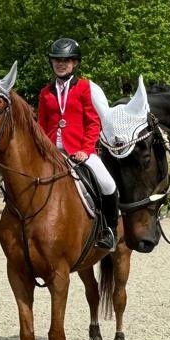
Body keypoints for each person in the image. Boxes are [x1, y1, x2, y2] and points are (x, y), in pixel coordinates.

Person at [36, 38, 119, 248]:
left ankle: (109, 231)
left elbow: (93, 122)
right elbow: (41, 125)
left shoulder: (85, 88)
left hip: (80, 151)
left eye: (66, 60)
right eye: (56, 60)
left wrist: (85, 149)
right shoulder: (45, 93)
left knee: (108, 184)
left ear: (75, 63)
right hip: (52, 152)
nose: (60, 63)